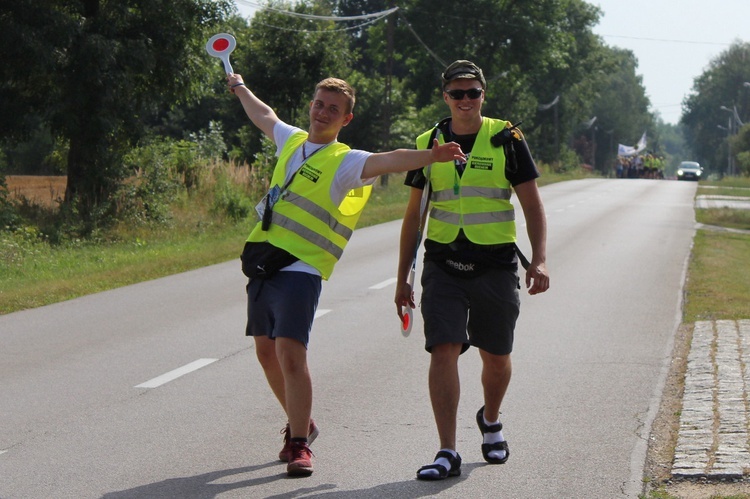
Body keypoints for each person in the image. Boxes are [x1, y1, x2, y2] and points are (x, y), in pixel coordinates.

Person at [227, 73, 465, 477]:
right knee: (265, 351)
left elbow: (389, 159)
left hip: (301, 268)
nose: (322, 113)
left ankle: (299, 444)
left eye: (333, 109)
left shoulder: (346, 161)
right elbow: (264, 115)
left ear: (346, 119)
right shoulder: (294, 141)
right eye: (319, 104)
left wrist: (432, 156)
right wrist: (239, 87)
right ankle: (305, 422)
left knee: (290, 352)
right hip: (264, 261)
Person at [394, 60, 550, 480]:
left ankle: (491, 420)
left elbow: (532, 204)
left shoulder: (506, 137)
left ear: (483, 95)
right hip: (443, 262)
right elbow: (414, 215)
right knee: (443, 350)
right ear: (445, 96)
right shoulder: (428, 142)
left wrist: (539, 259)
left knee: (496, 356)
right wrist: (403, 277)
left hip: (494, 264)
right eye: (457, 93)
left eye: (472, 93)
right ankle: (447, 451)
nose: (465, 100)